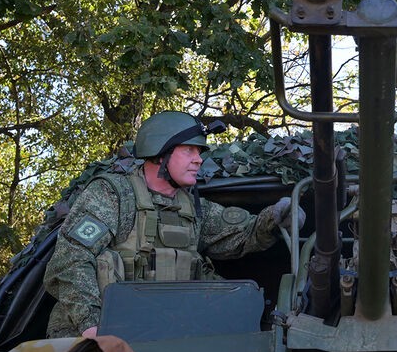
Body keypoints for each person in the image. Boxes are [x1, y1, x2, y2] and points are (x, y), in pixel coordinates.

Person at [44, 111, 302, 338]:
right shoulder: (112, 195)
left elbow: (243, 235)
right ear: (160, 154)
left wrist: (277, 215)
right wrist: (92, 326)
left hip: (166, 337)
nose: (198, 159)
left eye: (199, 152)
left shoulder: (191, 207)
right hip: (94, 340)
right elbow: (71, 260)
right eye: (189, 150)